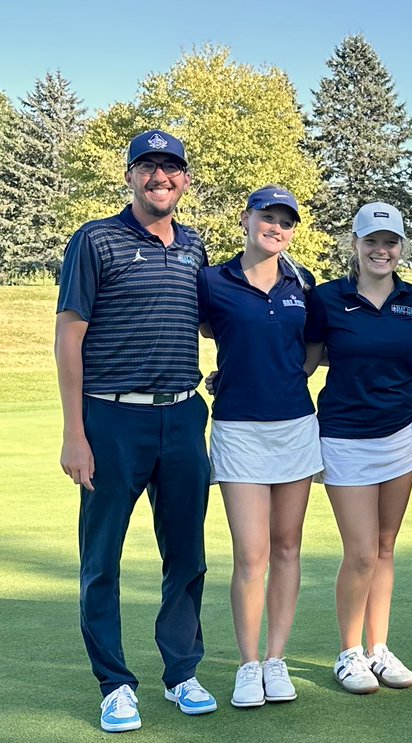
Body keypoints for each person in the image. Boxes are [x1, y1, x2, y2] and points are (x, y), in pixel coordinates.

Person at [55, 129, 216, 732]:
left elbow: (210, 320)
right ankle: (115, 684)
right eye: (147, 167)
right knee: (102, 558)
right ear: (129, 176)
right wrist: (74, 433)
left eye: (171, 168)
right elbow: (68, 337)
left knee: (187, 554)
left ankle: (182, 673)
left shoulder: (194, 246)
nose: (160, 177)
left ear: (185, 180)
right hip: (112, 419)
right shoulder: (95, 239)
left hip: (183, 415)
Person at [196, 185, 320, 707]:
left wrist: (287, 377)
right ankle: (248, 665)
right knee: (252, 553)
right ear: (246, 219)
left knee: (288, 547)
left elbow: (313, 348)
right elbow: (205, 328)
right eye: (267, 217)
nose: (276, 228)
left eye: (286, 222)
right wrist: (229, 376)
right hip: (239, 429)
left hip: (295, 427)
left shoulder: (303, 282)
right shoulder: (212, 280)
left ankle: (276, 660)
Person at [304, 203, 412, 694]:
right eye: (371, 241)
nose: (381, 250)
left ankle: (379, 649)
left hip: (399, 435)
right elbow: (304, 363)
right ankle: (349, 652)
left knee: (384, 547)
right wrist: (231, 377)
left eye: (390, 242)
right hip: (345, 437)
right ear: (354, 245)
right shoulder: (327, 299)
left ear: (401, 247)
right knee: (360, 552)